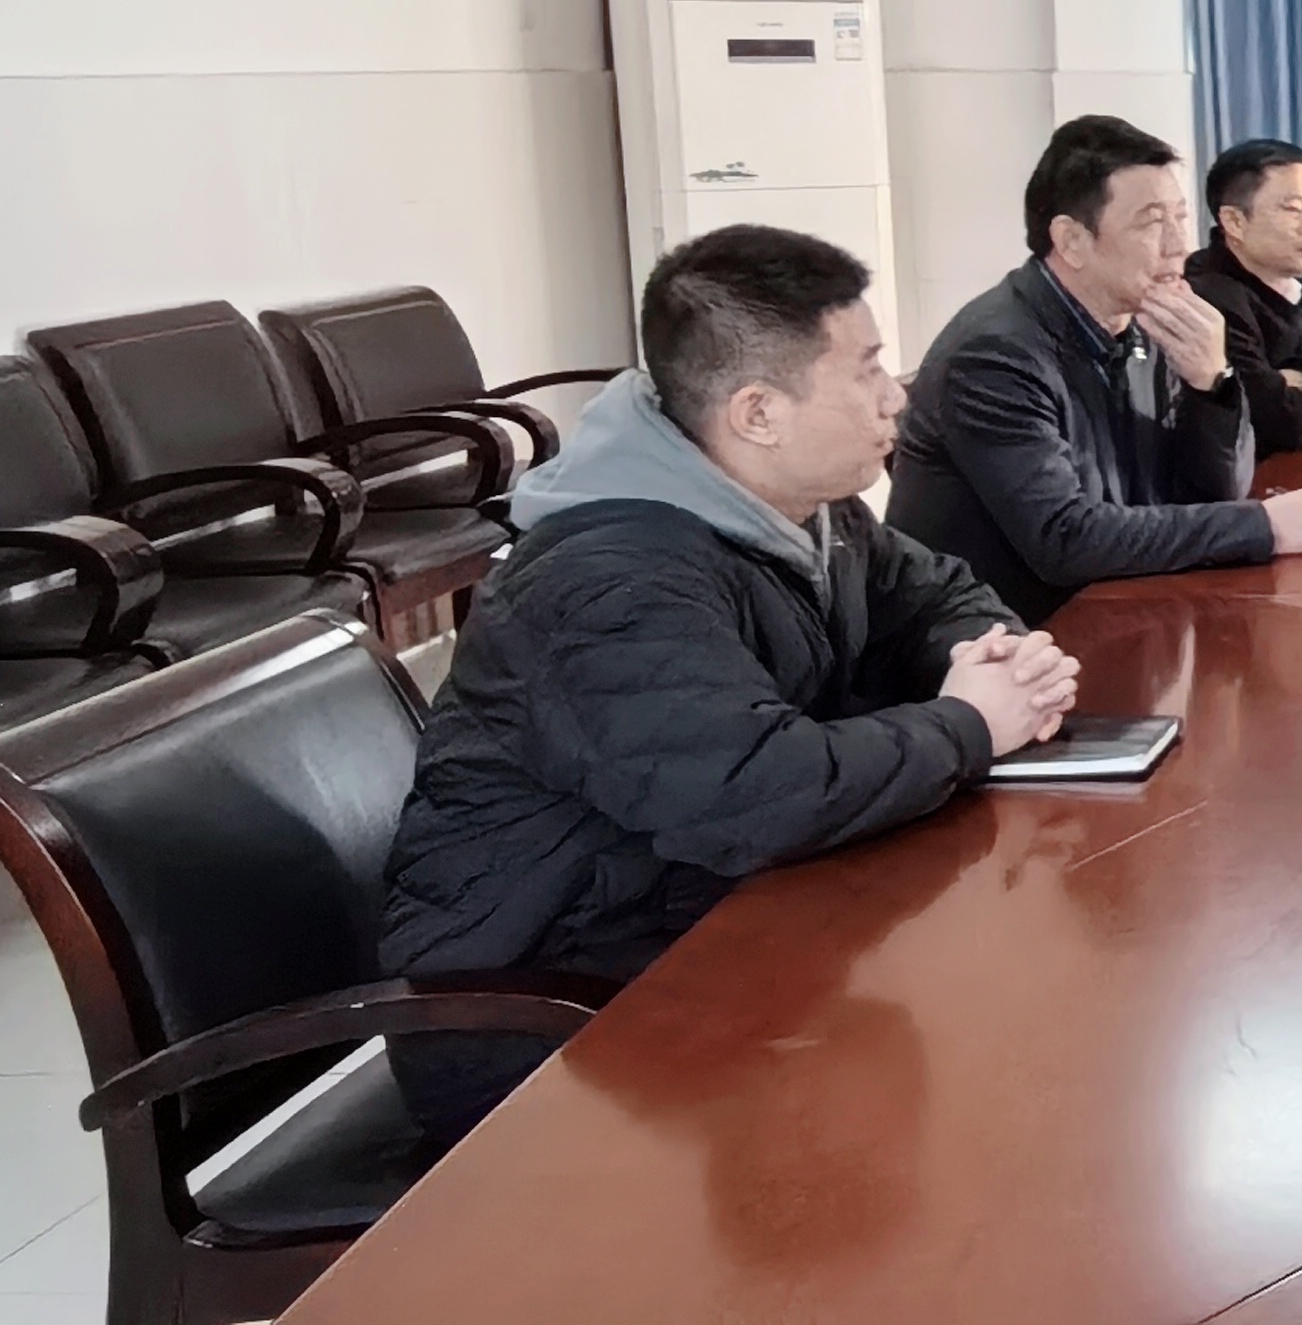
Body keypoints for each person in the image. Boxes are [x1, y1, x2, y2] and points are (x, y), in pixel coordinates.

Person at [380, 224, 1080, 1139]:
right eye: (866, 370)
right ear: (758, 414)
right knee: (978, 1071)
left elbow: (933, 593)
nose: (895, 395)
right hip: (544, 1016)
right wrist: (969, 725)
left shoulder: (796, 507)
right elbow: (754, 795)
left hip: (695, 928)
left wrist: (989, 656)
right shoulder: (608, 583)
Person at [889, 115, 1302, 623]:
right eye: (1152, 223)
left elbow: (1211, 496)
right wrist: (1261, 526)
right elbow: (1064, 539)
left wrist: (1212, 385)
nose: (1179, 245)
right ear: (1071, 241)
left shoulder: (1144, 323)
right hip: (1003, 638)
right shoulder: (994, 356)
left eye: (1180, 219)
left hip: (1118, 610)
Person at [1182, 136, 1302, 453]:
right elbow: (1287, 424)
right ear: (1235, 222)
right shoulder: (1208, 294)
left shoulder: (1283, 281)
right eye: (1293, 210)